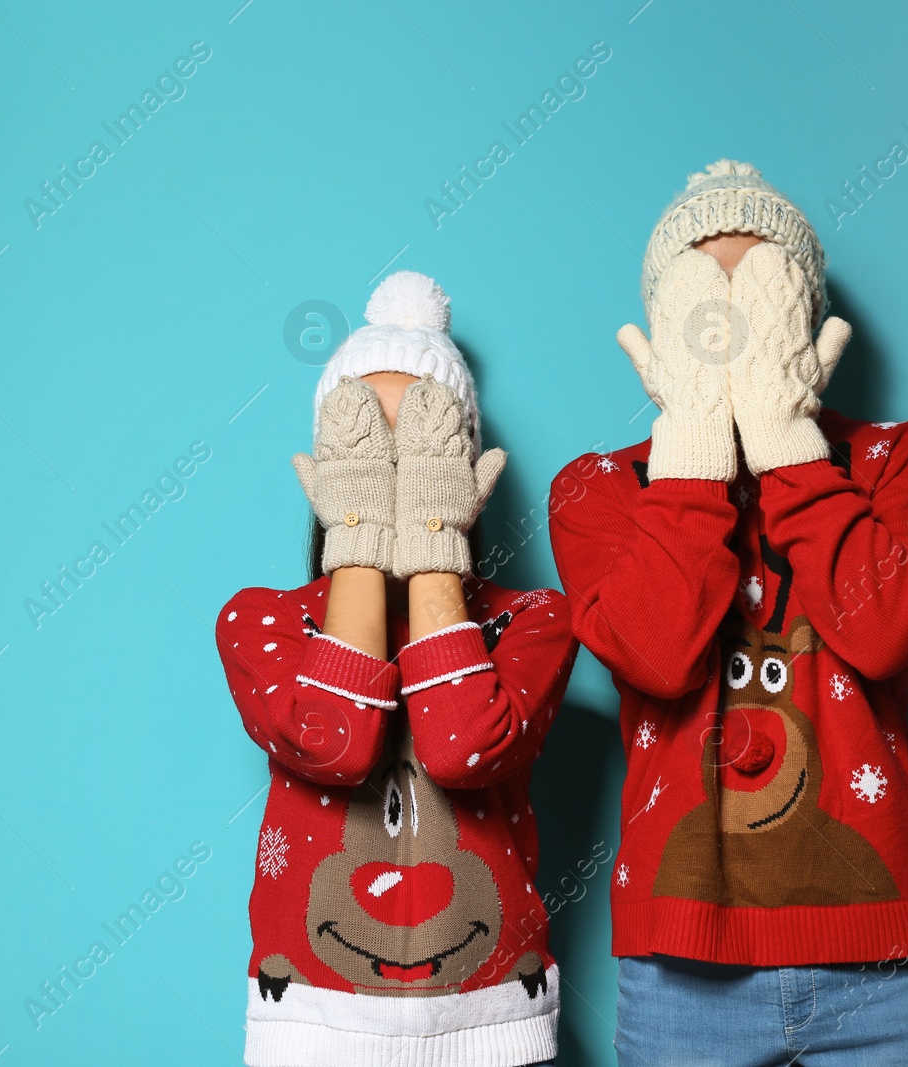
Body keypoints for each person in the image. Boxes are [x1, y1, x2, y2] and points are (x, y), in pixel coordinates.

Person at [549, 161, 908, 1065]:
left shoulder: (900, 461)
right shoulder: (601, 488)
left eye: (760, 291)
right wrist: (697, 445)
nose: (731, 324)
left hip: (889, 956)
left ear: (804, 313)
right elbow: (657, 655)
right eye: (706, 295)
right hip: (682, 963)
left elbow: (884, 628)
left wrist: (786, 439)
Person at [217, 270, 577, 1067]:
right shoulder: (262, 618)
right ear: (326, 469)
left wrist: (431, 533)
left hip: (493, 1024)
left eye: (418, 439)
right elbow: (337, 743)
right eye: (365, 441)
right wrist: (359, 533)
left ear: (464, 464)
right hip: (312, 1025)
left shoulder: (532, 619)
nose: (391, 462)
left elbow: (459, 747)